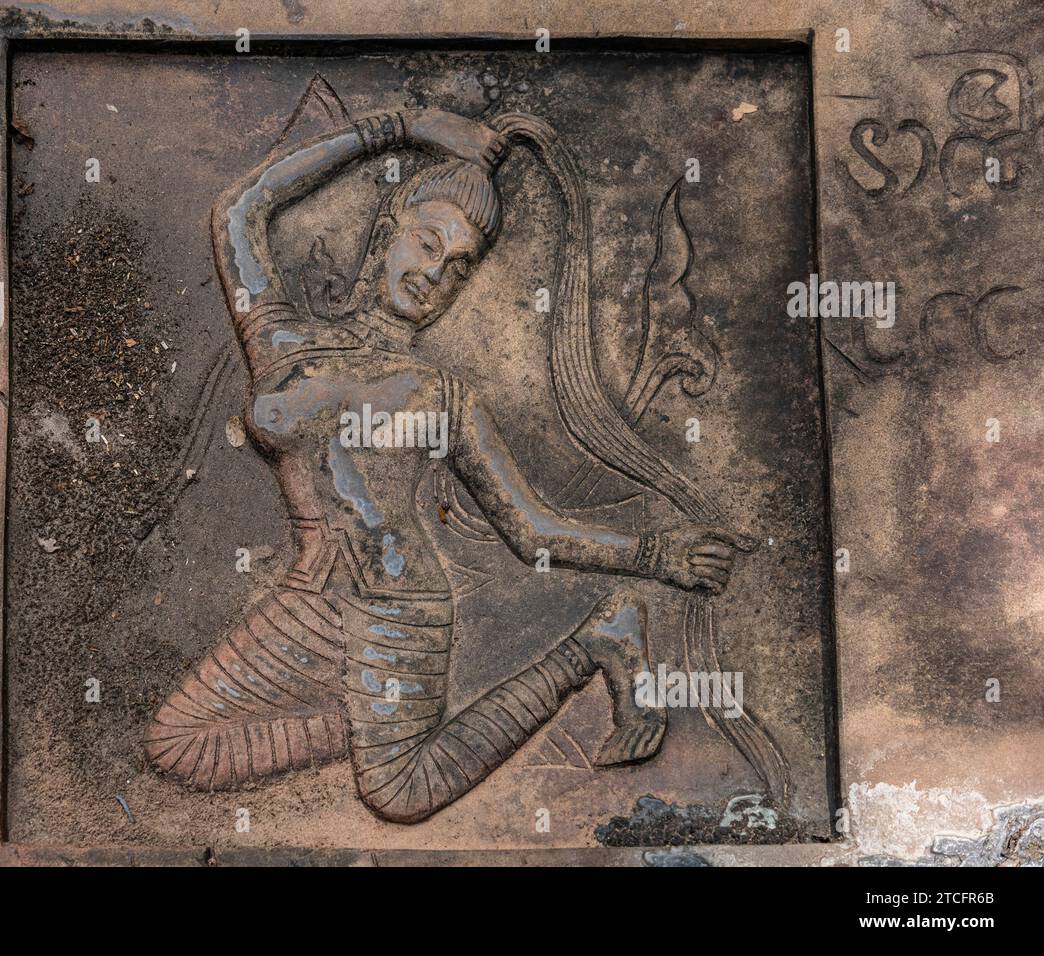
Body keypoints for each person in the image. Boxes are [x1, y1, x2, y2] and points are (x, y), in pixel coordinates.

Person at [145, 108, 752, 823]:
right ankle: (387, 712)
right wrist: (403, 125)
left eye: (458, 266)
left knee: (397, 796)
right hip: (309, 602)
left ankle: (595, 643)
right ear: (385, 236)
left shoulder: (443, 395)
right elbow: (241, 209)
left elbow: (531, 531)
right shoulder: (283, 340)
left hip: (396, 611)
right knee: (177, 743)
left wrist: (656, 556)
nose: (435, 272)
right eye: (427, 242)